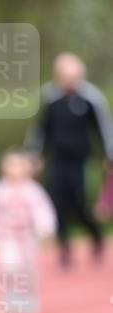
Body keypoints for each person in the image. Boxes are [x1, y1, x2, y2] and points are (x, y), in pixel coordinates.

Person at [25, 52, 113, 267]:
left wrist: (109, 155)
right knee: (57, 203)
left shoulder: (91, 98)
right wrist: (33, 155)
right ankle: (64, 249)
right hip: (57, 159)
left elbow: (104, 129)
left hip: (82, 161)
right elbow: (40, 130)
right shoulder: (49, 97)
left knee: (80, 203)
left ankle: (96, 236)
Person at [0, 149, 56, 313]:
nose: (15, 169)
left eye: (18, 165)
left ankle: (27, 297)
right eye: (11, 165)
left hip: (27, 237)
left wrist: (45, 228)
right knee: (8, 265)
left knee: (28, 268)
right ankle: (11, 295)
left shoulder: (33, 190)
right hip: (6, 237)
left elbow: (42, 210)